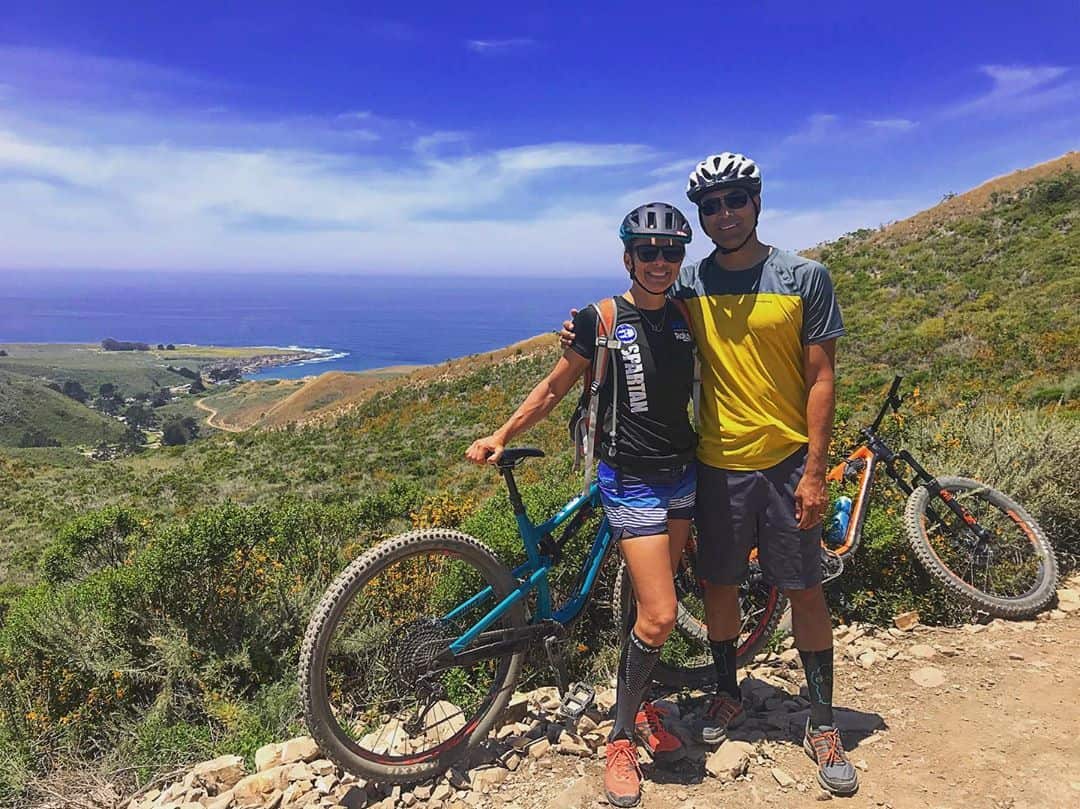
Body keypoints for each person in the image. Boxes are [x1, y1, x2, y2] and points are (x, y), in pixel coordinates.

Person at [561, 153, 858, 796]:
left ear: (757, 203)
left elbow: (822, 378)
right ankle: (727, 692)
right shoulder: (689, 283)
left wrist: (814, 471)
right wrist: (582, 330)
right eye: (711, 206)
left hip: (784, 465)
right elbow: (637, 311)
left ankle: (824, 721)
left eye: (734, 201)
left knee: (805, 589)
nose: (724, 214)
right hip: (713, 465)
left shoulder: (805, 277)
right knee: (718, 587)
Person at [467, 202, 698, 808]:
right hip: (630, 478)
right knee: (662, 614)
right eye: (647, 252)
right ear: (628, 258)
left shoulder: (687, 314)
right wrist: (502, 434)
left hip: (683, 477)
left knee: (648, 607)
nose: (660, 261)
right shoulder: (601, 319)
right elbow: (553, 387)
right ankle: (621, 740)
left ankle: (640, 705)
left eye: (671, 252)